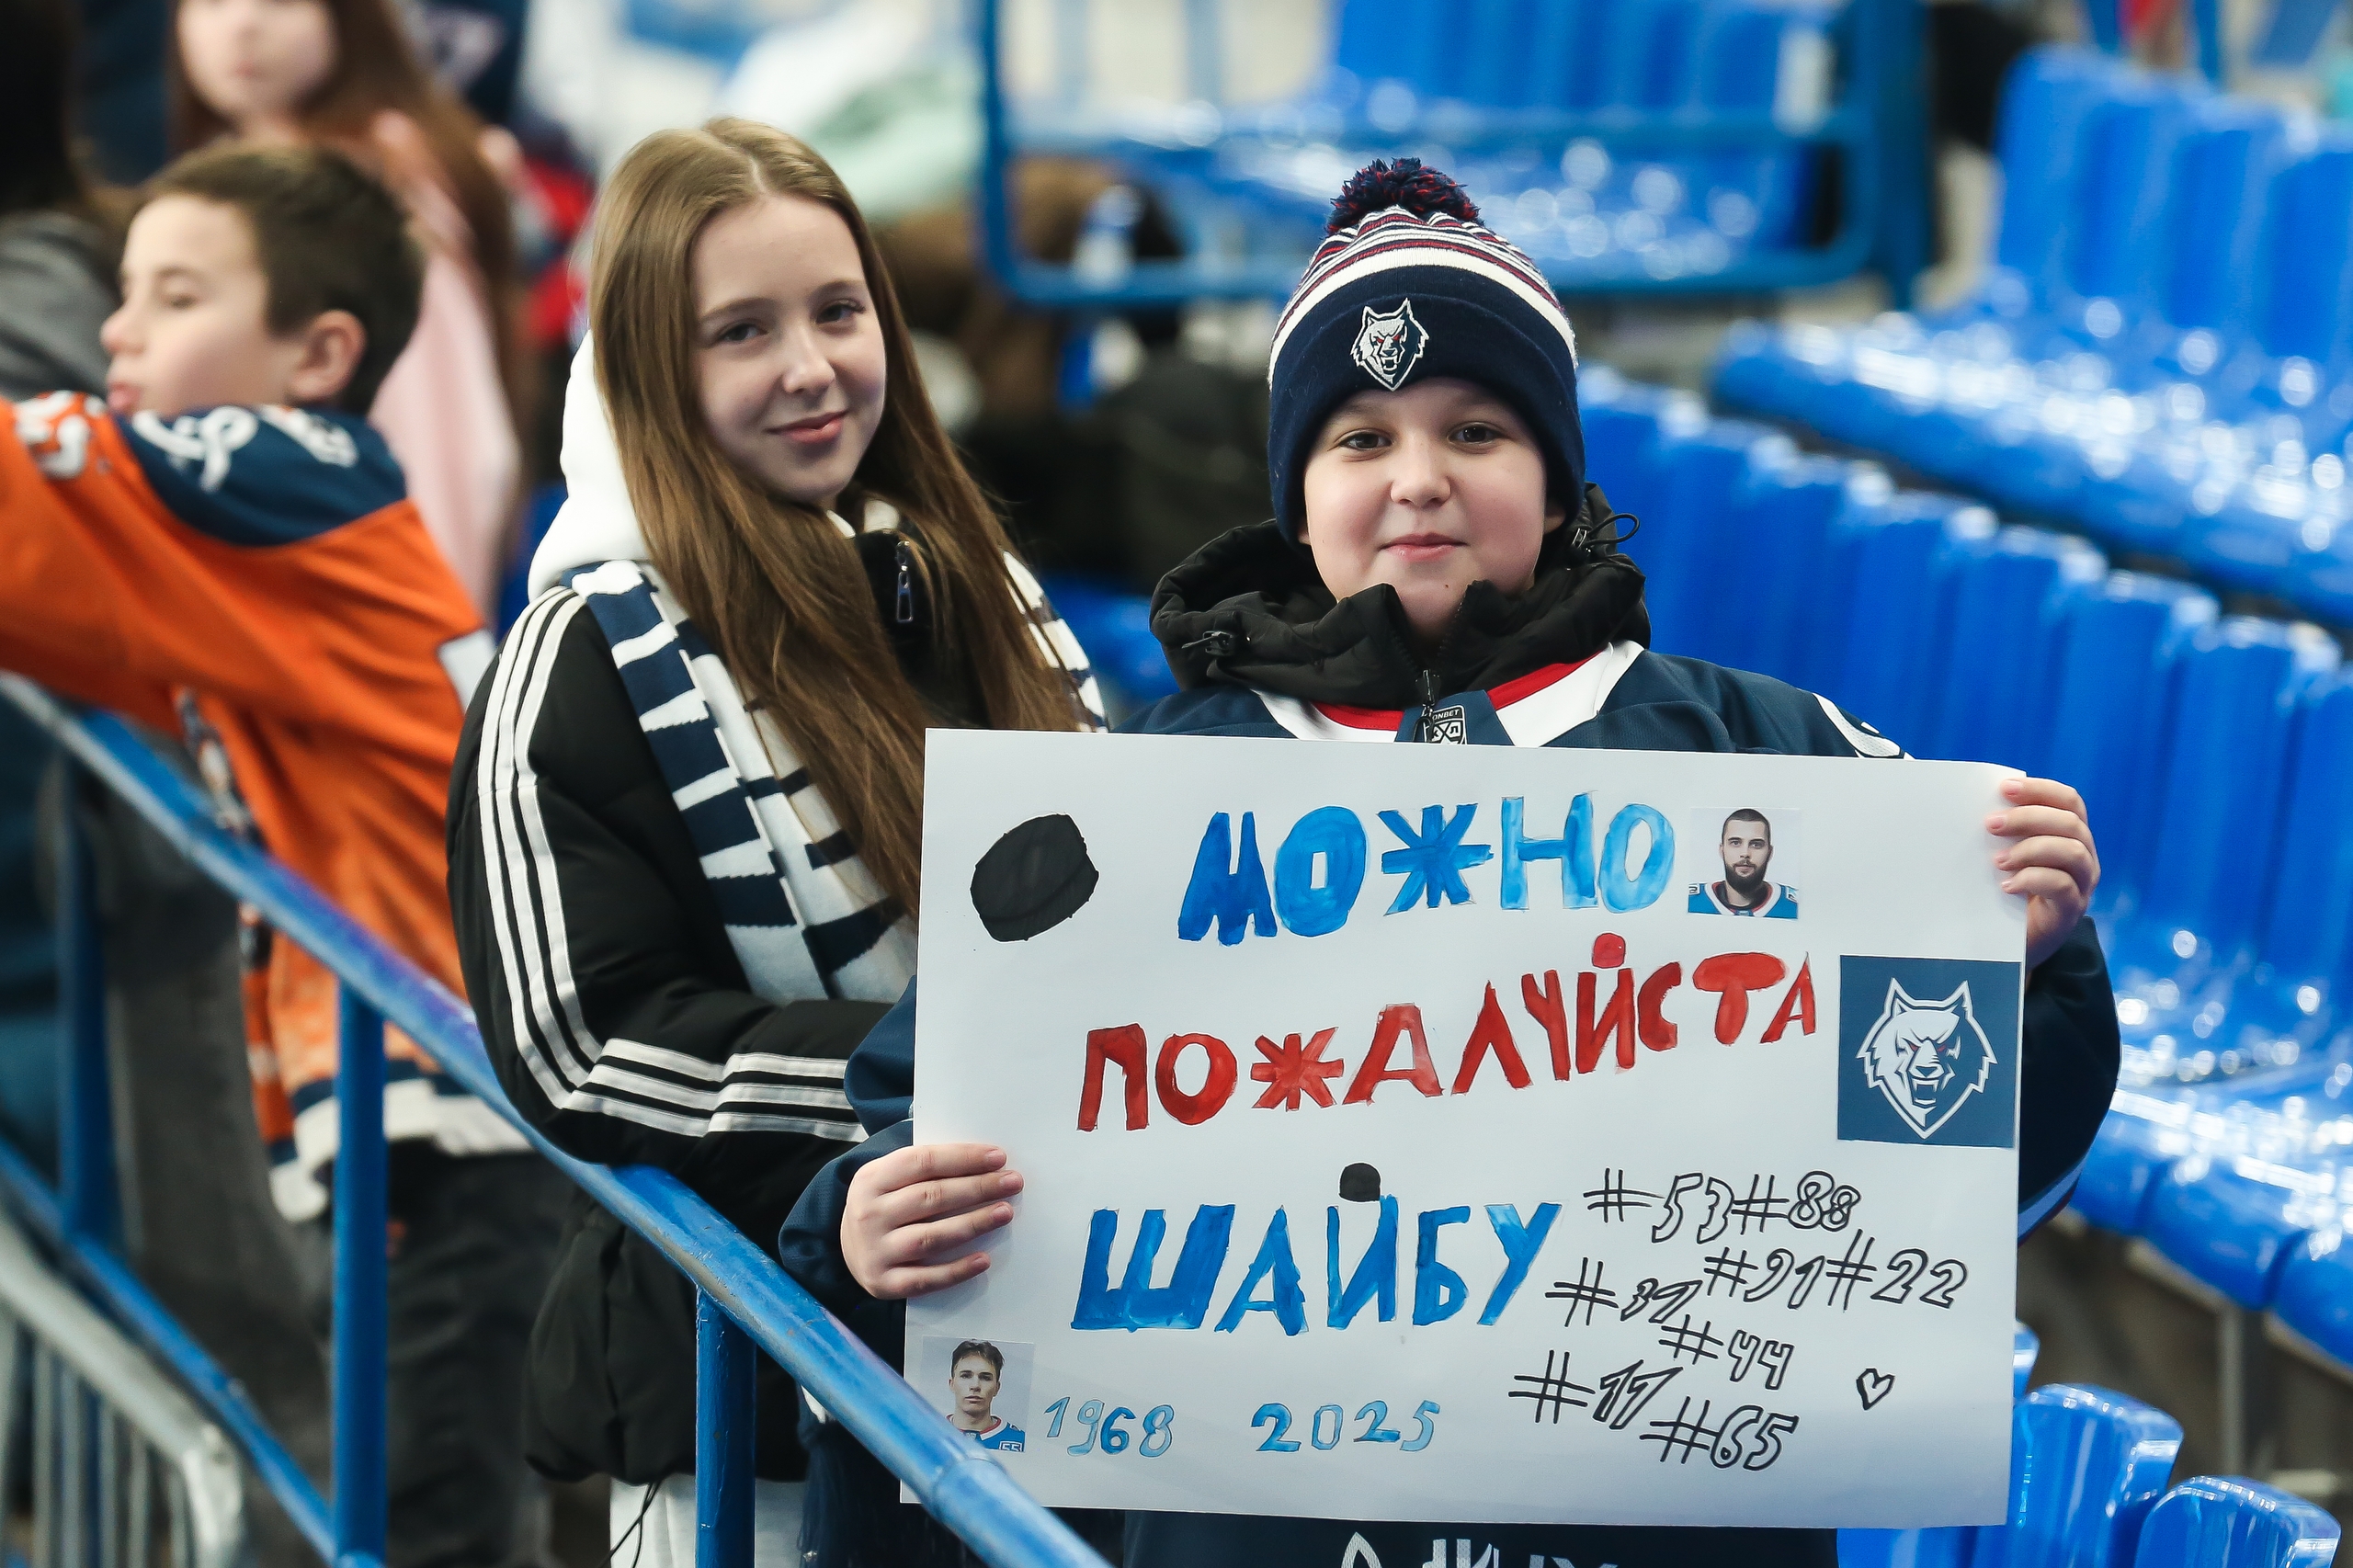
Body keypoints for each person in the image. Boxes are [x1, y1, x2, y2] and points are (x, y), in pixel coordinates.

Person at [777, 159, 2120, 1568]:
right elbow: (930, 1113)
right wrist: (865, 1220)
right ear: (1298, 498)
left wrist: (2020, 965)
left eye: (1476, 429)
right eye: (1360, 438)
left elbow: (1951, 1181)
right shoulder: (1134, 803)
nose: (1419, 480)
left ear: (1556, 478)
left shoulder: (1770, 761)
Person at [445, 119, 1104, 1568]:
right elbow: (579, 1040)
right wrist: (918, 1100)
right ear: (649, 369)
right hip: (739, 1406)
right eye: (741, 331)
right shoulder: (578, 652)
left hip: (1031, 1355)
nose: (810, 367)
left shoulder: (980, 588)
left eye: (838, 312)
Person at [0, 142, 565, 1568]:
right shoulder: (265, 527)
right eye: (127, 291)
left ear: (318, 356)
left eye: (177, 297)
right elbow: (68, 614)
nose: (120, 331)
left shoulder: (278, 470)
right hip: (420, 1103)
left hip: (462, 1107)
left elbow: (24, 478)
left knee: (422, 1527)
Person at [170, 0, 524, 613]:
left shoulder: (381, 178)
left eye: (281, 1)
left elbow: (448, 447)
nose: (242, 24)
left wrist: (428, 629)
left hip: (377, 598)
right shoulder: (229, 164)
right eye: (211, 2)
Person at [1688, 807, 1797, 917]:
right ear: (1722, 850)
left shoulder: (1796, 906)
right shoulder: (1690, 901)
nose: (1745, 853)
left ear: (1769, 853)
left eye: (1756, 845)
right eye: (1735, 843)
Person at [944, 1341, 1024, 1450]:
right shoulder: (929, 1434)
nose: (975, 1386)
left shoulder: (1020, 1441)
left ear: (997, 1388)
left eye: (985, 1378)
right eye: (966, 1376)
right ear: (952, 1384)